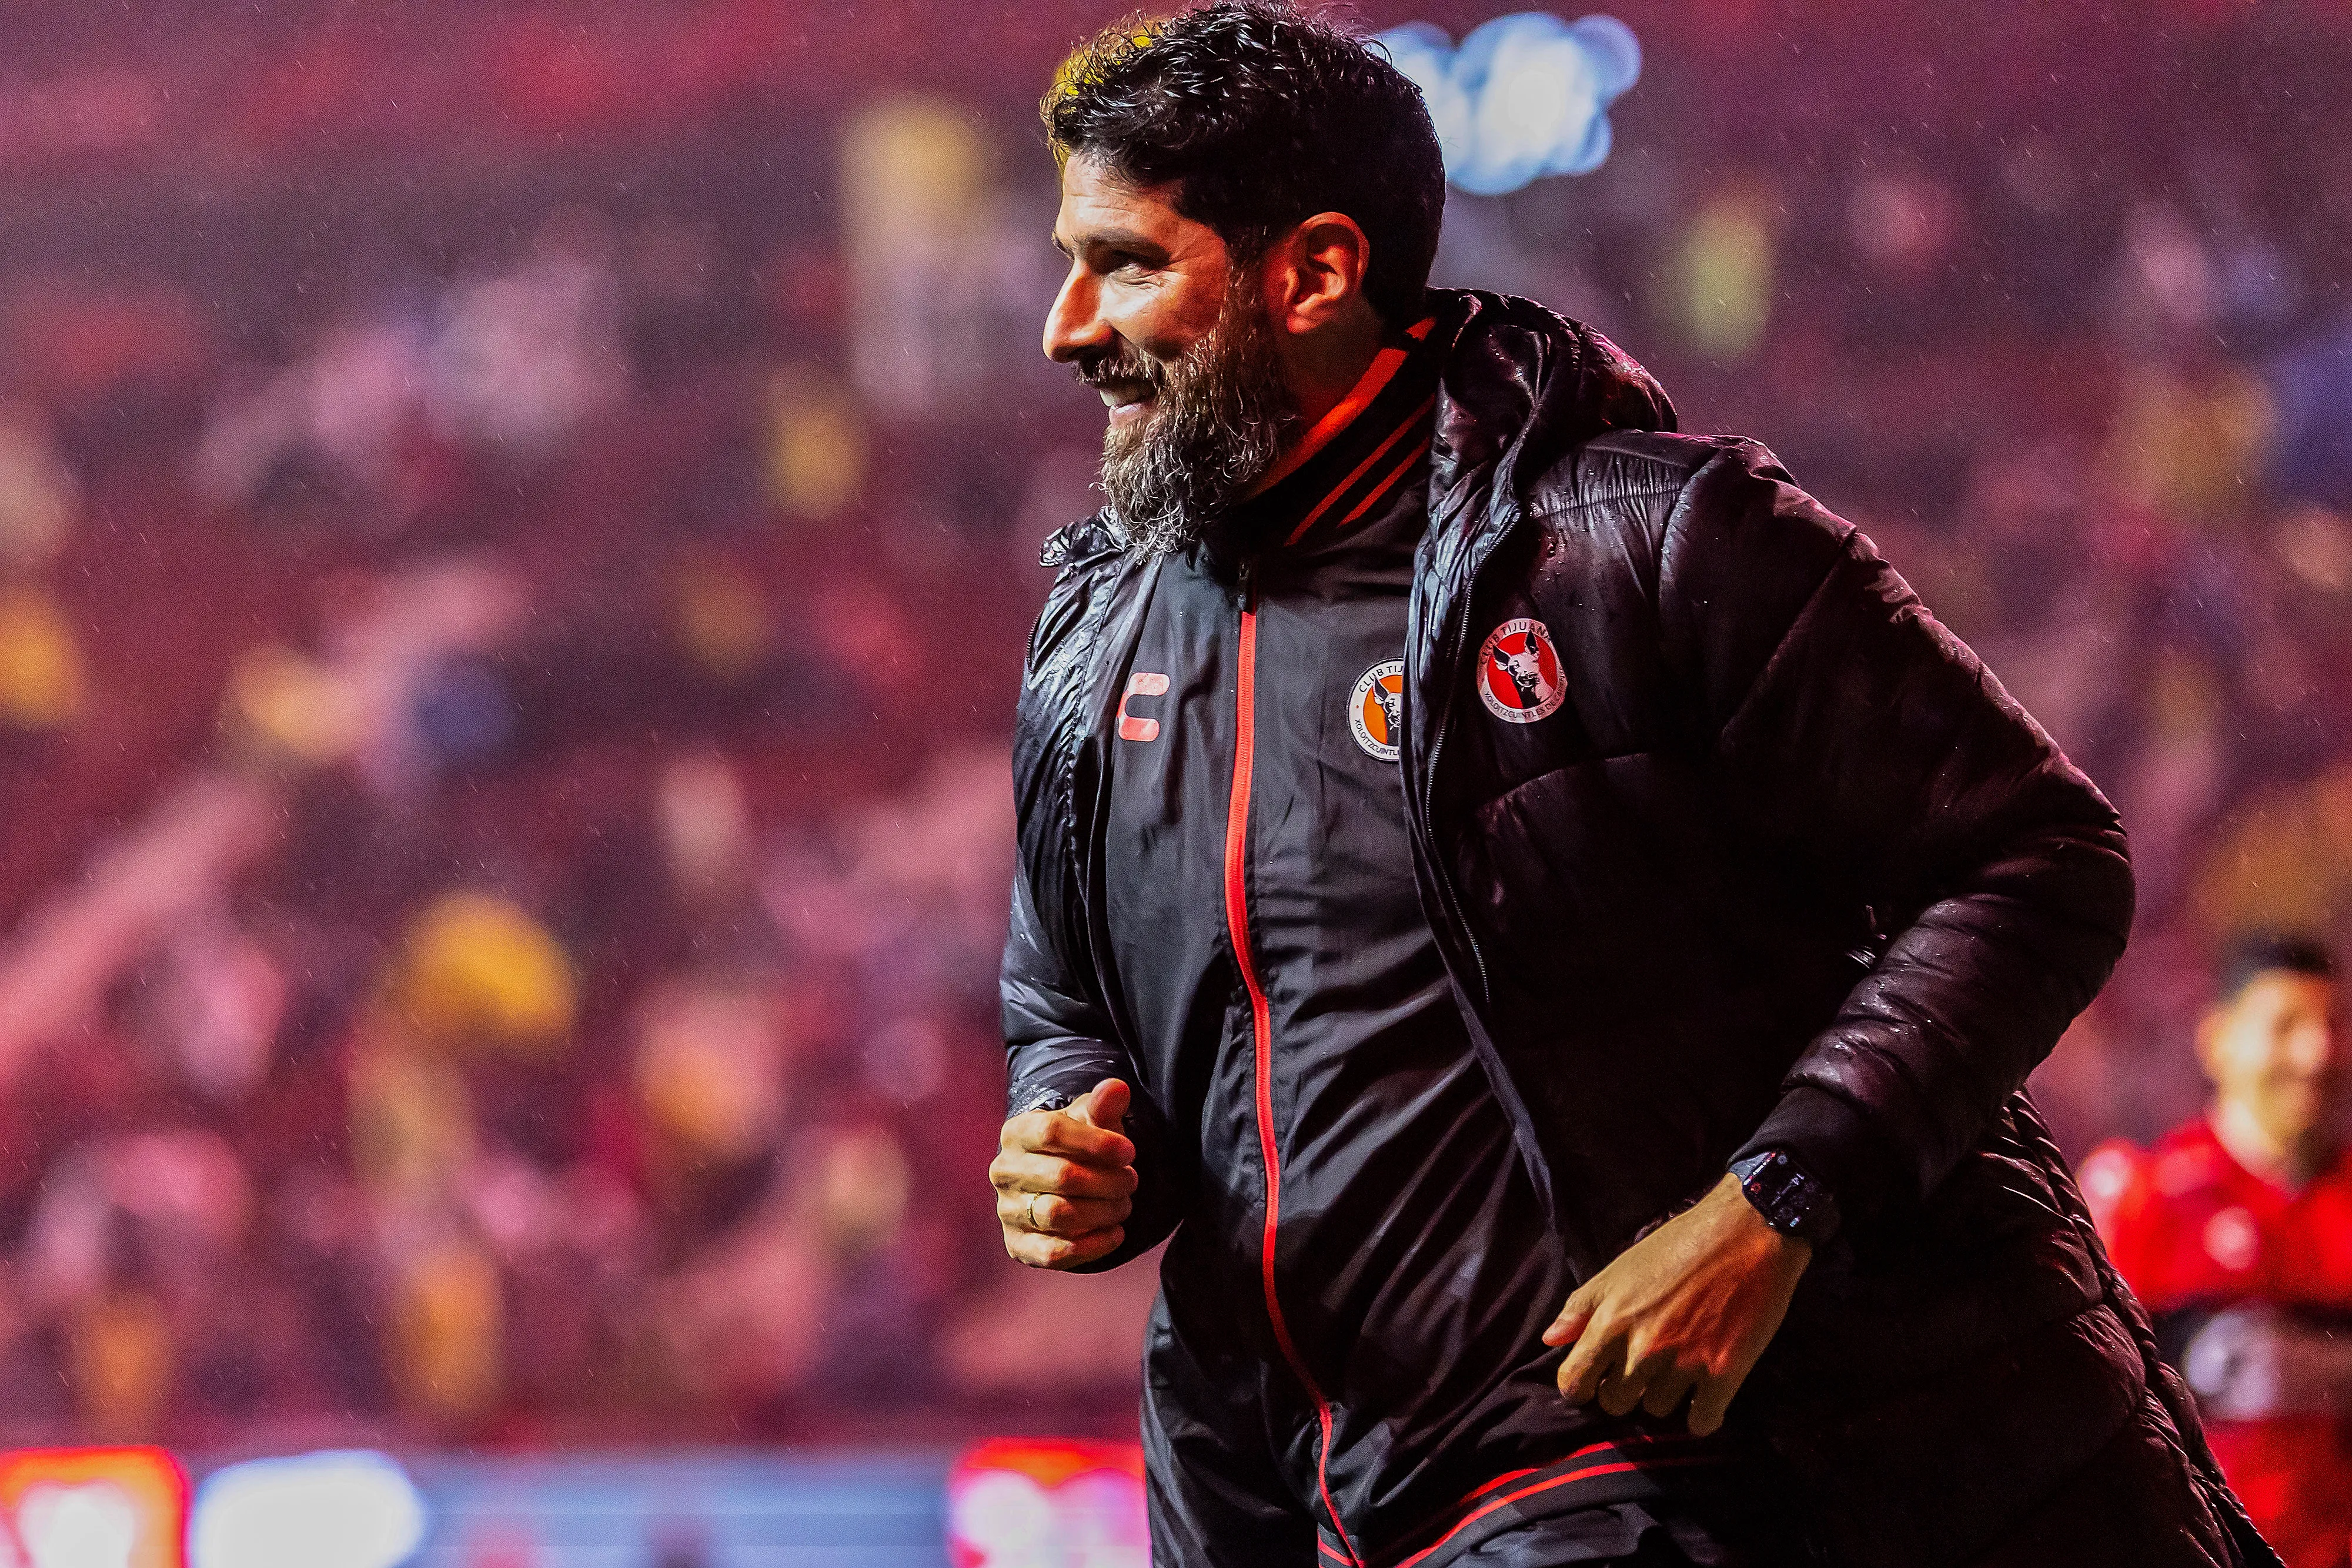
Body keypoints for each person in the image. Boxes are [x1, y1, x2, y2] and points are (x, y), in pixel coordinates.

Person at [986, 5, 2271, 1564]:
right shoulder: (1091, 643)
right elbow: (1069, 1006)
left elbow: (2037, 854)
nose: (1064, 325)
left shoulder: (1652, 547)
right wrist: (1073, 1139)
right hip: (1292, 1504)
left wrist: (1769, 1207)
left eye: (1125, 261)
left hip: (1663, 1480)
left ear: (1313, 274)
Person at [2083, 939, 2352, 1568]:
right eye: (2285, 1025)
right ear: (2219, 1039)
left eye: (2332, 1025)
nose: (2317, 1053)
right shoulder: (2143, 1199)